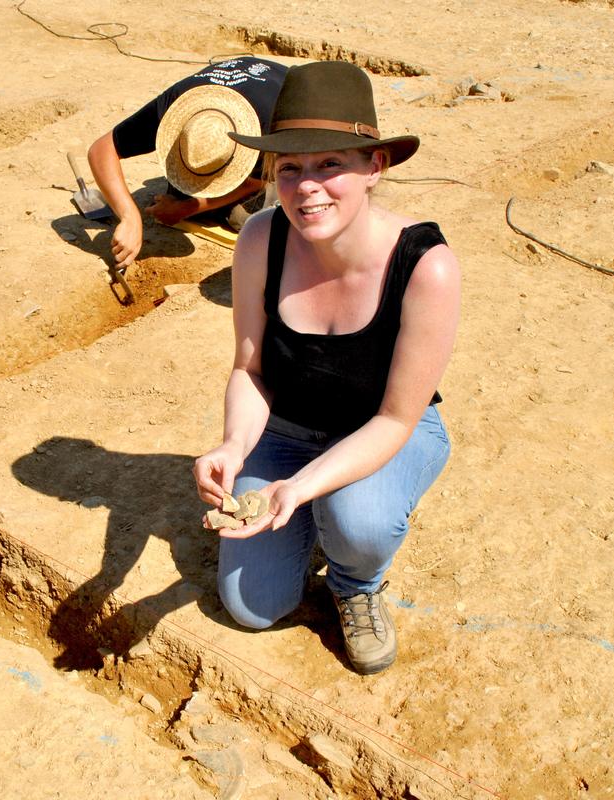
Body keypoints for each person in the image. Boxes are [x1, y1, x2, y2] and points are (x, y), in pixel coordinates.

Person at [192, 60, 461, 675]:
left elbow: (396, 419)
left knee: (356, 519)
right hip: (284, 433)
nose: (307, 187)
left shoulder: (425, 265)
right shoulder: (261, 239)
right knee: (252, 607)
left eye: (329, 164)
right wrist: (235, 446)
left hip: (386, 432)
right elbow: (250, 369)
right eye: (290, 168)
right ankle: (305, 516)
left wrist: (300, 489)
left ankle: (354, 584)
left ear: (375, 167)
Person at [87, 56, 288, 270]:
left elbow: (257, 182)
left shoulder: (268, 125)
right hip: (250, 86)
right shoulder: (173, 106)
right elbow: (101, 149)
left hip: (280, 90)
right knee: (180, 194)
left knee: (249, 220)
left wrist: (188, 208)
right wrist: (130, 217)